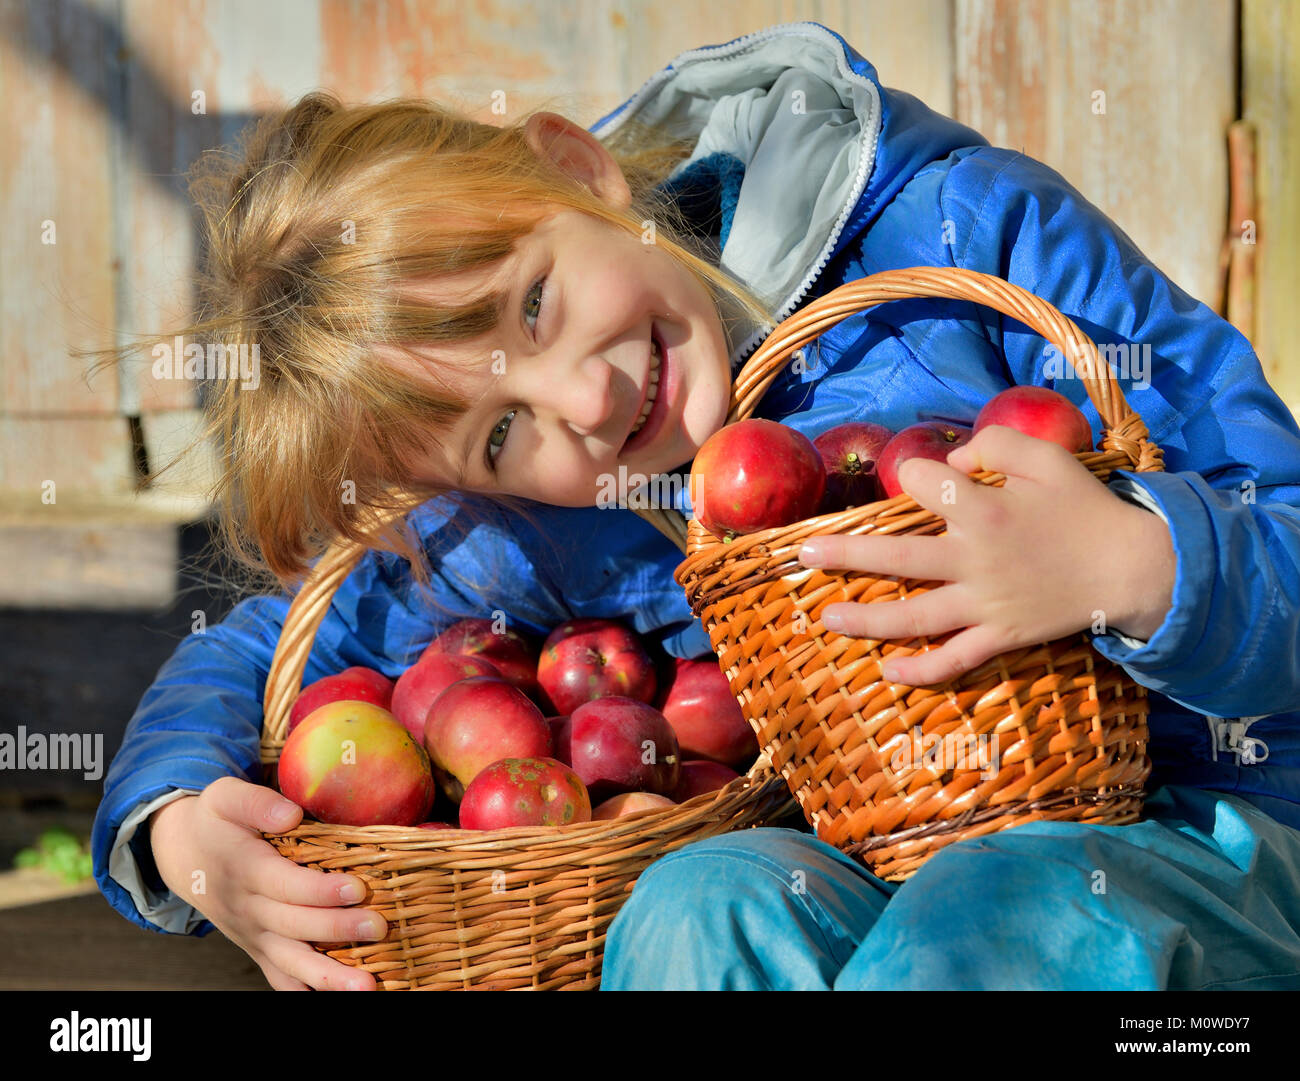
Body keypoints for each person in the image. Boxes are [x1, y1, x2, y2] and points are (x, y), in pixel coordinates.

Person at [91, 21, 1300, 991]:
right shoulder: (546, 521)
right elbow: (274, 644)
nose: (585, 393)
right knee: (695, 905)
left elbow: (1279, 516)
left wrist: (1135, 565)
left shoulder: (963, 238)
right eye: (502, 432)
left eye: (534, 305)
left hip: (1213, 836)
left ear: (580, 174)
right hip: (866, 868)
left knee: (991, 921)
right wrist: (179, 827)